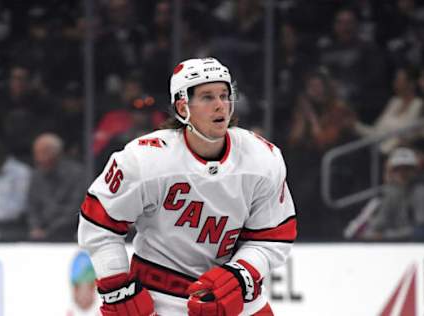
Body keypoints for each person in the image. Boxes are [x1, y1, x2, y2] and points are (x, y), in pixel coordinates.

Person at [78, 57, 297, 316]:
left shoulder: (262, 159)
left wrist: (240, 274)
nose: (220, 106)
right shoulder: (144, 160)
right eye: (207, 97)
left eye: (225, 95)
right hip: (158, 293)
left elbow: (273, 236)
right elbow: (98, 222)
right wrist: (116, 285)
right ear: (183, 108)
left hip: (229, 294)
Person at [359, 147, 424, 241]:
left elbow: (422, 228)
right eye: (397, 169)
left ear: (415, 170)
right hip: (396, 242)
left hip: (420, 245)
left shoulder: (423, 191)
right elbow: (380, 221)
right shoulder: (391, 191)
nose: (402, 173)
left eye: (407, 168)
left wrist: (386, 236)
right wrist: (371, 234)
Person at [26, 133, 85, 241]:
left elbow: (75, 208)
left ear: (57, 154)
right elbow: (32, 206)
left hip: (70, 233)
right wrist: (36, 227)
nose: (38, 158)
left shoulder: (77, 175)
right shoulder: (36, 176)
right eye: (36, 153)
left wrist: (49, 231)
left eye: (43, 153)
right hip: (38, 234)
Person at [67, 251, 101, 316]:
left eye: (81, 300)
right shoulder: (95, 278)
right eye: (87, 300)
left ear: (76, 296)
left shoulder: (75, 278)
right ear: (92, 296)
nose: (85, 297)